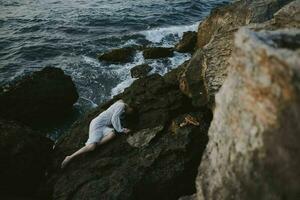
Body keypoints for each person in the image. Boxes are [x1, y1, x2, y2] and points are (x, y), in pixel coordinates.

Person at [61, 99, 133, 168]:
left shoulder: (121, 103)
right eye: (131, 111)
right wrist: (122, 130)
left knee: (112, 134)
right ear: (130, 107)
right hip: (97, 124)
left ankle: (95, 144)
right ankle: (70, 157)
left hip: (104, 126)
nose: (129, 113)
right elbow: (114, 118)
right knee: (91, 147)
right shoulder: (122, 105)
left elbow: (119, 104)